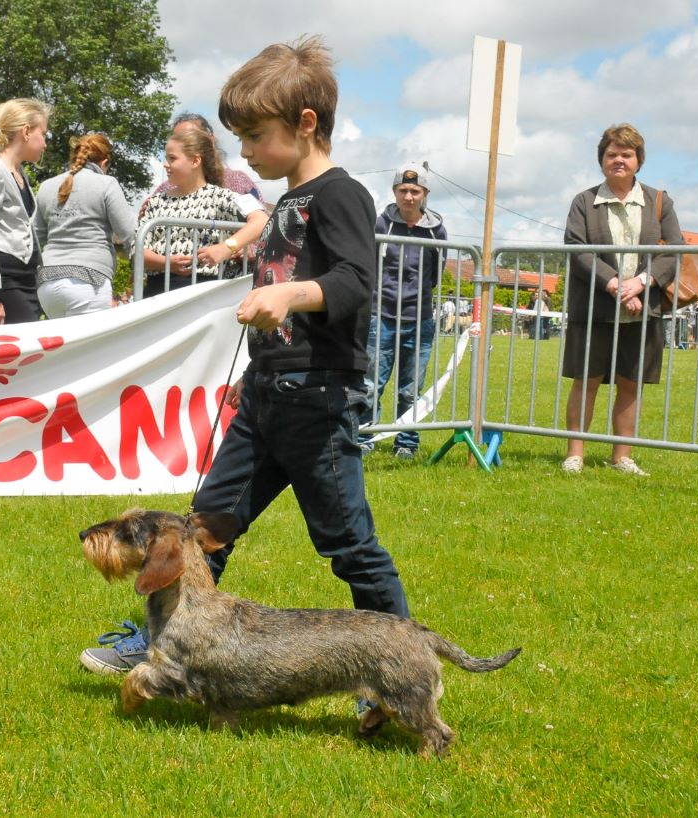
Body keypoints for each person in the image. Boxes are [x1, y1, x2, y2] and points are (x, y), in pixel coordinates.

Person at [80, 36, 412, 690]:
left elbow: (354, 282)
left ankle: (396, 666)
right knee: (205, 530)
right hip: (266, 400)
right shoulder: (286, 201)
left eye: (255, 136)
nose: (247, 152)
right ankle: (157, 643)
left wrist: (289, 293)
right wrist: (251, 374)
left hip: (320, 404)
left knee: (350, 547)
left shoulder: (341, 196)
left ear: (305, 125)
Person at [561, 123, 684, 477]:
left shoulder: (659, 201)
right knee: (587, 380)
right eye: (611, 154)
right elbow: (578, 249)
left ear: (638, 161)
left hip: (643, 309)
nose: (618, 160)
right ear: (601, 160)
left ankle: (622, 457)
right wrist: (614, 284)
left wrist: (641, 284)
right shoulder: (584, 202)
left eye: (626, 154)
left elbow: (674, 251)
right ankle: (575, 454)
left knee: (631, 382)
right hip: (595, 310)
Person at [358, 162, 446, 459]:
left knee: (410, 389)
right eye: (403, 190)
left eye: (415, 191)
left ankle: (406, 443)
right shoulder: (380, 224)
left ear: (425, 194)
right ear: (395, 192)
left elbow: (435, 274)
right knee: (372, 383)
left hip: (419, 319)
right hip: (379, 316)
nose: (409, 196)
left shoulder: (436, 230)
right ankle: (364, 437)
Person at [138, 127, 267, 297]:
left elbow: (262, 220)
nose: (165, 164)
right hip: (156, 293)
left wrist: (227, 247)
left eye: (172, 158)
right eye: (166, 158)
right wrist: (166, 262)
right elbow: (137, 250)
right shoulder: (155, 201)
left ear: (195, 161)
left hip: (204, 296)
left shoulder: (223, 196)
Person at [0, 98, 51, 324]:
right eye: (43, 134)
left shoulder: (20, 173)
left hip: (28, 279)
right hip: (6, 282)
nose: (44, 143)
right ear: (26, 132)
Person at [33, 133, 136, 318]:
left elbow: (37, 236)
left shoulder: (47, 186)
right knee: (92, 346)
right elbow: (129, 233)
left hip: (47, 282)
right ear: (104, 163)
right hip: (89, 281)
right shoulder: (106, 184)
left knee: (63, 346)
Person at [150, 112, 262, 202]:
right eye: (177, 138)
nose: (183, 143)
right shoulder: (163, 193)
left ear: (210, 139)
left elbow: (262, 222)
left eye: (191, 137)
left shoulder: (238, 183)